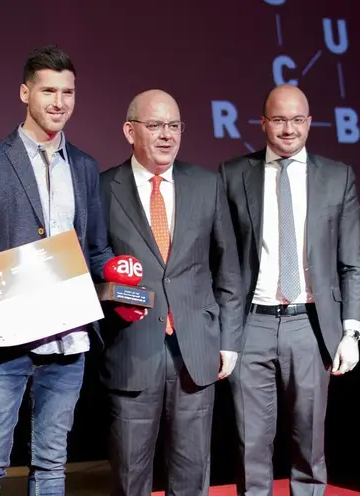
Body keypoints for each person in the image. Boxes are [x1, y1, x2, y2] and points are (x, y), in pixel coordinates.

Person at [0, 45, 115, 495]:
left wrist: (121, 285)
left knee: (52, 467)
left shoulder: (87, 168)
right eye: (48, 90)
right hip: (4, 346)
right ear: (24, 93)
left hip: (69, 342)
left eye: (68, 92)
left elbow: (96, 250)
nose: (59, 102)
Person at [219, 84, 360, 496]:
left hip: (311, 326)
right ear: (263, 123)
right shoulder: (233, 175)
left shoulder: (337, 177)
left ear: (309, 122)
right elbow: (224, 263)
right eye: (279, 120)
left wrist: (351, 332)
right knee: (251, 444)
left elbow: (352, 262)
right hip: (251, 327)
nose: (288, 129)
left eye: (297, 120)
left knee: (309, 444)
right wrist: (226, 333)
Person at [97, 89, 244, 496]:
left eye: (174, 126)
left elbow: (228, 269)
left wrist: (228, 341)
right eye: (156, 125)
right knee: (130, 479)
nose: (167, 135)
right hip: (131, 350)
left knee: (192, 477)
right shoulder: (103, 188)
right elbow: (90, 267)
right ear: (130, 130)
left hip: (195, 351)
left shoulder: (206, 184)